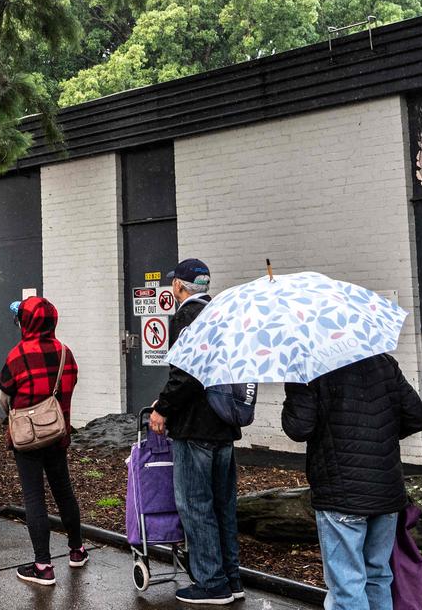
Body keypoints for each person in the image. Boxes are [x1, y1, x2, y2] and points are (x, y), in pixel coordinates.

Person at [281, 353, 422, 610]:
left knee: (347, 585)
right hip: (386, 490)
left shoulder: (309, 365)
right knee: (378, 574)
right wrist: (381, 439)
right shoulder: (382, 361)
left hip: (340, 494)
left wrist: (296, 387)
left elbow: (298, 428)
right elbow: (417, 416)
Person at [148, 258, 243, 605]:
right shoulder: (222, 314)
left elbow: (186, 374)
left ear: (179, 286)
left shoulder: (187, 315)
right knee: (222, 505)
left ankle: (211, 583)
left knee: (196, 504)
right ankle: (231, 578)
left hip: (195, 427)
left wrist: (162, 408)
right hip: (224, 425)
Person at [0, 297, 87, 586]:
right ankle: (77, 550)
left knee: (34, 497)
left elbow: (4, 396)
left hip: (26, 438)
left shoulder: (17, 355)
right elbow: (70, 385)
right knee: (64, 491)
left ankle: (43, 566)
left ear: (26, 322)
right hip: (57, 434)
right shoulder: (65, 353)